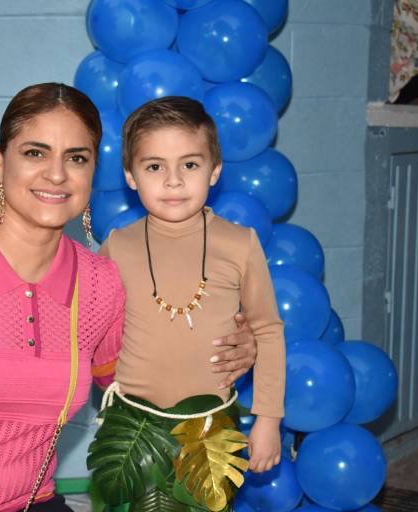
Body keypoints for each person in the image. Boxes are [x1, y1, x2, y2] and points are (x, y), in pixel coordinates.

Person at [0, 83, 258, 512]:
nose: (57, 174)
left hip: (30, 503)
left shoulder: (100, 283)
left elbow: (140, 386)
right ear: (1, 162)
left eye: (76, 158)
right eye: (35, 153)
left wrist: (229, 347)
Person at [88, 97, 285, 512]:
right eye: (154, 167)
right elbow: (89, 329)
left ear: (214, 170)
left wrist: (268, 420)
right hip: (132, 425)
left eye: (190, 165)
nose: (173, 181)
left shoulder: (240, 243)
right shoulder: (117, 246)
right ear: (130, 176)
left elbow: (267, 330)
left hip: (210, 428)